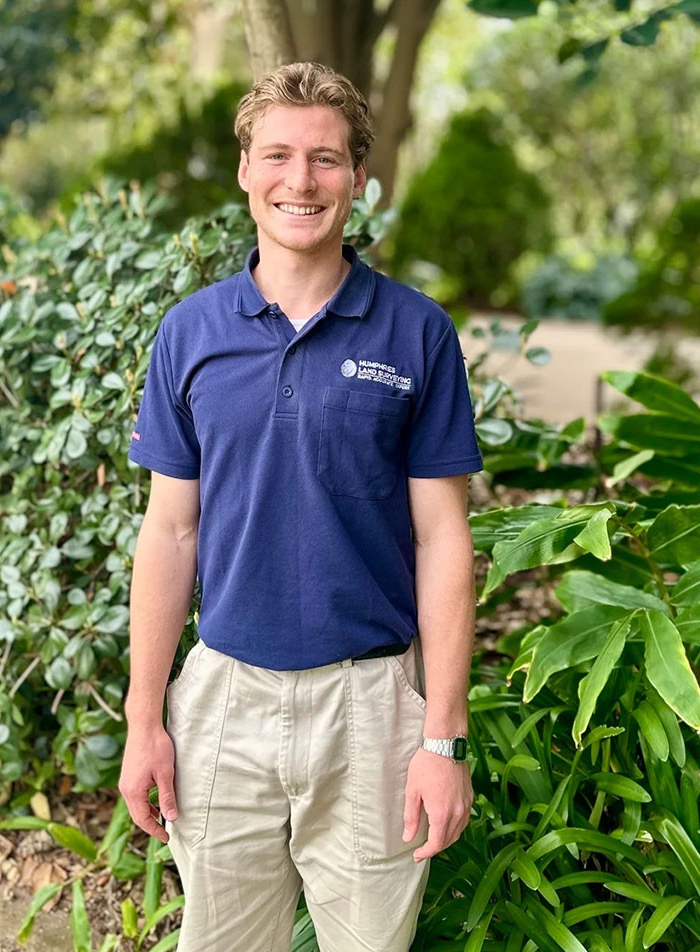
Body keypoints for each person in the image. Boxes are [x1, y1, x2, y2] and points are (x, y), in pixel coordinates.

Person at [119, 61, 483, 952]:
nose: (301, 180)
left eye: (325, 159)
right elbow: (170, 531)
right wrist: (144, 720)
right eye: (277, 154)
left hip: (370, 709)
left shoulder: (417, 333)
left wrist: (443, 740)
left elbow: (442, 538)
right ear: (245, 170)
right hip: (222, 703)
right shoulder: (191, 333)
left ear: (358, 176)